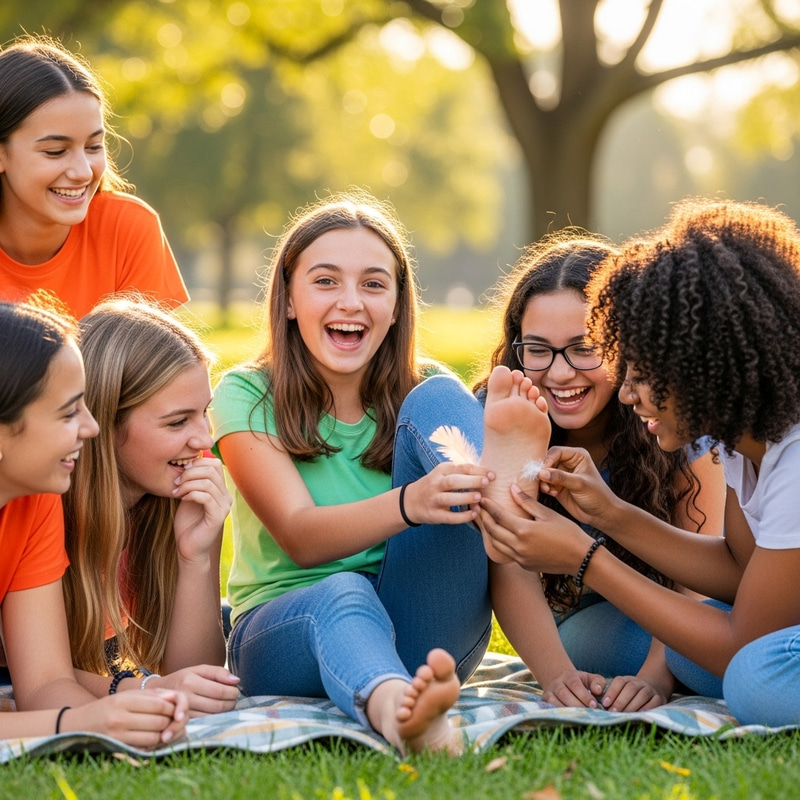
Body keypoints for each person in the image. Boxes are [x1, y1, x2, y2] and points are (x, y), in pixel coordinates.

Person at [478, 198, 800, 727]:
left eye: (640, 372)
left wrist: (588, 558)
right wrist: (609, 514)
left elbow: (744, 641)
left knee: (750, 679)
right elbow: (737, 572)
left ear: (699, 365)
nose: (627, 394)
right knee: (688, 645)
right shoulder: (744, 444)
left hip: (764, 644)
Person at [210, 192, 495, 755]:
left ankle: (405, 686)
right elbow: (300, 535)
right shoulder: (246, 395)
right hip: (288, 631)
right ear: (289, 299)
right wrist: (411, 503)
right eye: (325, 281)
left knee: (441, 393)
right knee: (343, 591)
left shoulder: (425, 393)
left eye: (373, 284)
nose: (351, 302)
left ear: (396, 304)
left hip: (421, 627)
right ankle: (402, 716)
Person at [474, 233, 726, 711]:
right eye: (538, 349)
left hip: (682, 606)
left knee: (716, 643)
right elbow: (508, 565)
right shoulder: (502, 413)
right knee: (713, 659)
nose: (561, 373)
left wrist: (656, 678)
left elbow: (700, 575)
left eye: (585, 348)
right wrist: (556, 677)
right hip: (582, 626)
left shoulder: (678, 418)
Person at [0, 295, 188, 744]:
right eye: (69, 413)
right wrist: (81, 724)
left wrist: (134, 713)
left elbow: (45, 684)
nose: (92, 427)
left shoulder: (36, 499)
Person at [62, 298, 240, 716]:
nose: (203, 440)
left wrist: (195, 555)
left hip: (112, 668)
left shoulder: (175, 504)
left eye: (205, 414)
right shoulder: (49, 508)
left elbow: (196, 677)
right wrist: (147, 686)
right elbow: (33, 674)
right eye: (178, 422)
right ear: (103, 425)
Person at [0, 35, 188, 317]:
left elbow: (151, 360)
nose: (84, 172)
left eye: (93, 147)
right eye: (55, 151)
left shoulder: (129, 229)